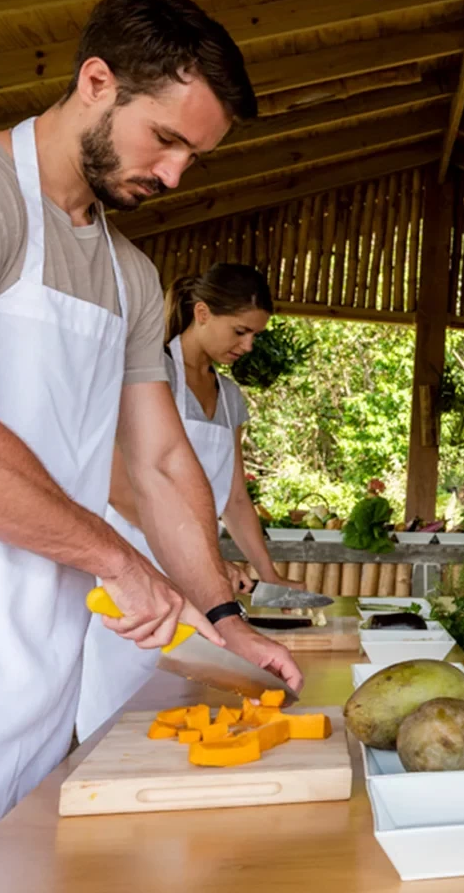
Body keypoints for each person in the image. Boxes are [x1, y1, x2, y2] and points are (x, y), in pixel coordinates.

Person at [0, 0, 301, 858]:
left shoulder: (129, 274)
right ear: (98, 81)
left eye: (197, 155)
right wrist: (118, 559)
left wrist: (224, 619)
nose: (176, 174)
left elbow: (162, 467)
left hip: (39, 665)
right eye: (169, 140)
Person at [76, 265, 306, 742]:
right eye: (240, 331)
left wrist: (271, 575)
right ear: (201, 313)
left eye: (255, 336)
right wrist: (204, 557)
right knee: (120, 719)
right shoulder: (148, 373)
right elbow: (120, 484)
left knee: (186, 716)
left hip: (201, 578)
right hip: (134, 568)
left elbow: (236, 498)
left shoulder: (231, 399)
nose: (247, 346)